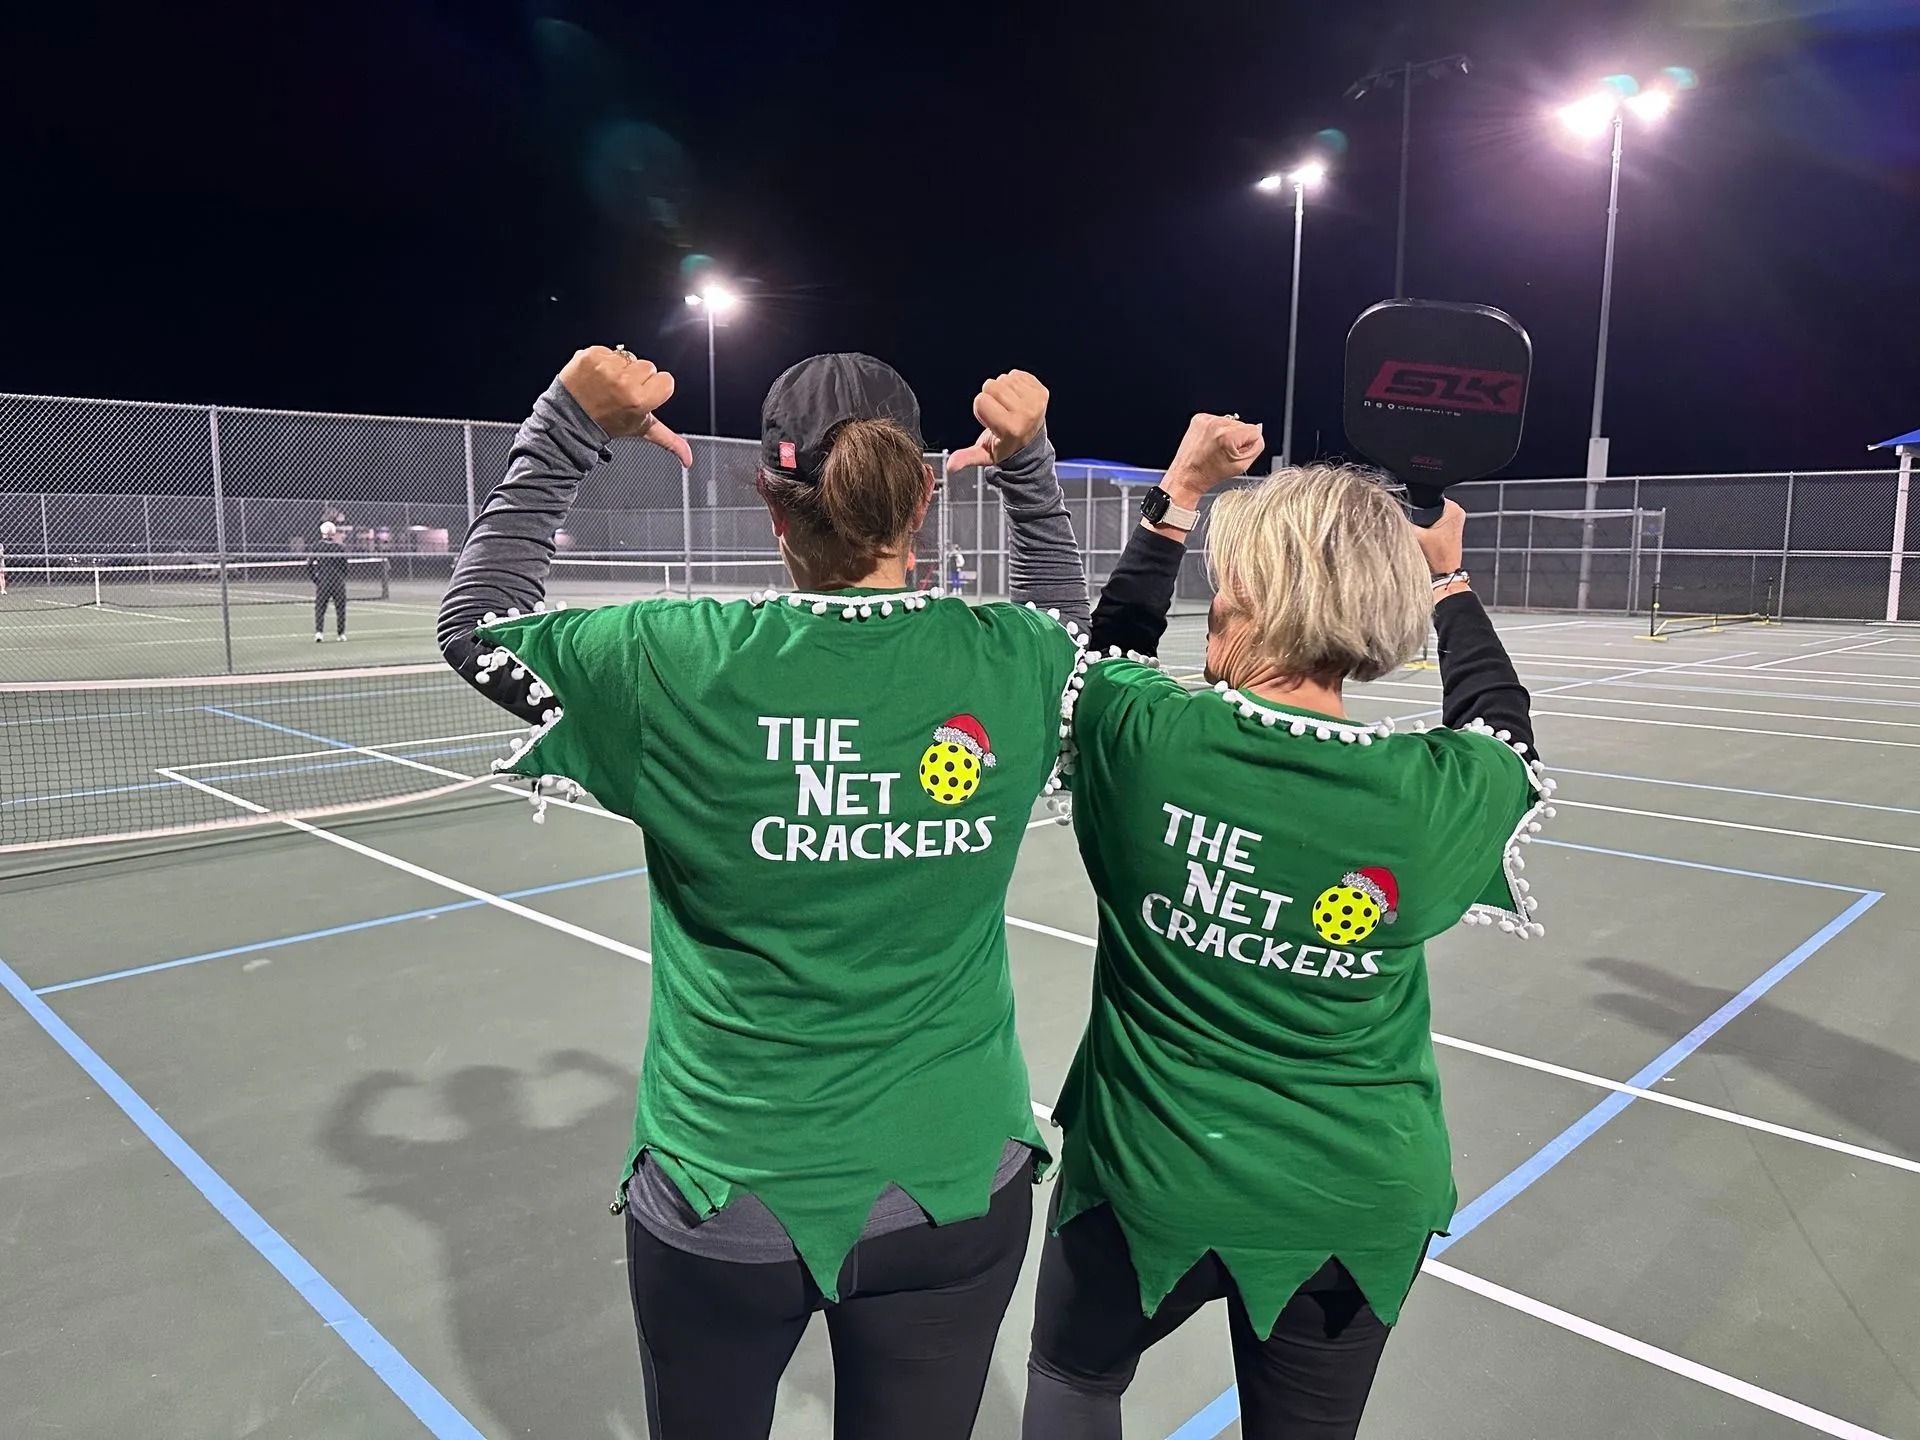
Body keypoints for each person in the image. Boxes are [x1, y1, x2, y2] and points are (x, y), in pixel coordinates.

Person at [437, 346, 1090, 1440]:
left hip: (726, 1192)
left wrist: (565, 427)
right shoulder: (1017, 658)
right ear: (922, 492)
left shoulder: (671, 656)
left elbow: (477, 629)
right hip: (955, 1184)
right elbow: (1072, 629)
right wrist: (1028, 468)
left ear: (773, 511)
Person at [1024, 416, 1551, 1440]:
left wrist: (1177, 500)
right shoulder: (1432, 794)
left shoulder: (1145, 739)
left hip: (1145, 1180)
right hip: (1351, 1203)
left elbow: (1102, 656)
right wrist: (1450, 582)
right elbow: (1502, 730)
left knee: (1074, 1383)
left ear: (1254, 600)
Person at [309, 519, 349, 642]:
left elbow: (309, 564)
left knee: (320, 608)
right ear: (333, 533)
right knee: (340, 608)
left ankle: (319, 633)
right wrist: (341, 578)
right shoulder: (339, 548)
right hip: (338, 582)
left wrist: (316, 579)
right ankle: (341, 634)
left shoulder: (316, 547)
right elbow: (345, 567)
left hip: (323, 582)